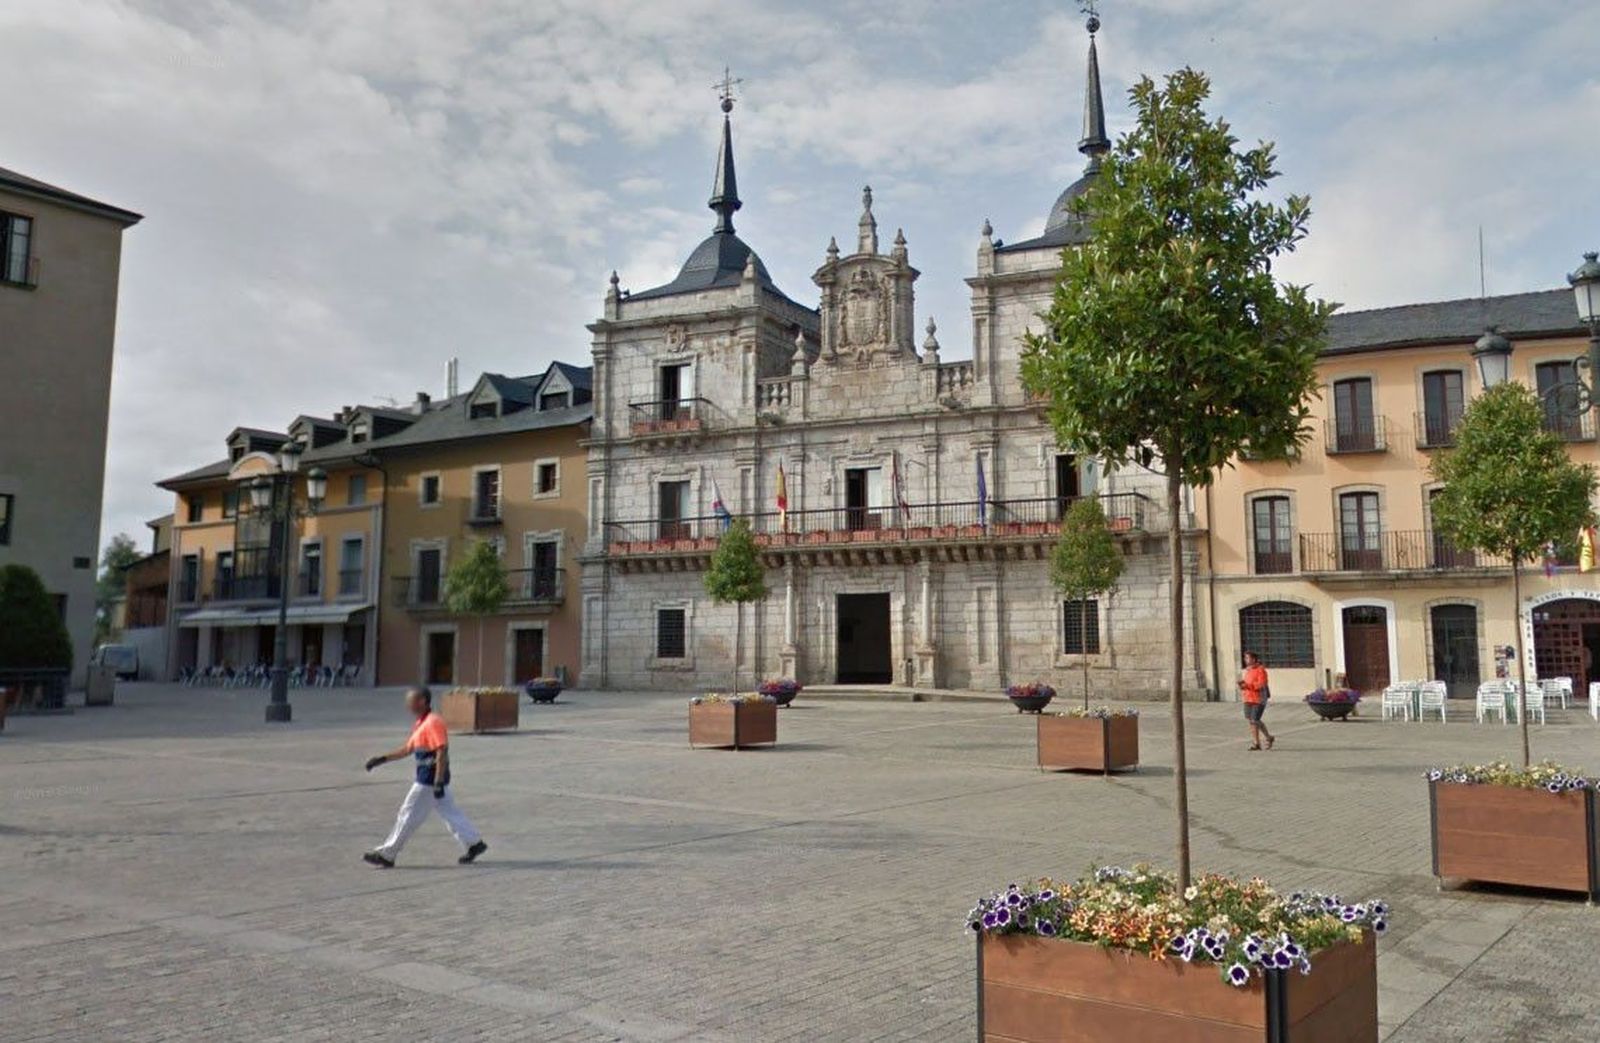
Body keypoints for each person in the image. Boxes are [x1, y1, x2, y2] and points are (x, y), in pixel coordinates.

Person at [362, 686, 488, 867]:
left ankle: (387, 854)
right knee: (450, 813)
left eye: (410, 700)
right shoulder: (421, 723)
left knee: (407, 814)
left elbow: (441, 751)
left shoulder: (433, 722)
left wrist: (437, 781)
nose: (407, 704)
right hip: (432, 779)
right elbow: (408, 749)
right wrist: (381, 759)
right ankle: (475, 844)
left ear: (422, 701)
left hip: (428, 780)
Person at [1238, 650, 1275, 751]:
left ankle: (1256, 743)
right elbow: (1247, 683)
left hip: (1258, 699)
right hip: (1248, 698)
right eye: (1245, 658)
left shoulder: (1261, 670)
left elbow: (1261, 684)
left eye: (1247, 658)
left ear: (1253, 659)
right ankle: (1268, 738)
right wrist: (1242, 686)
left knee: (1254, 720)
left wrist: (1248, 686)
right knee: (1253, 720)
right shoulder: (1248, 670)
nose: (1245, 660)